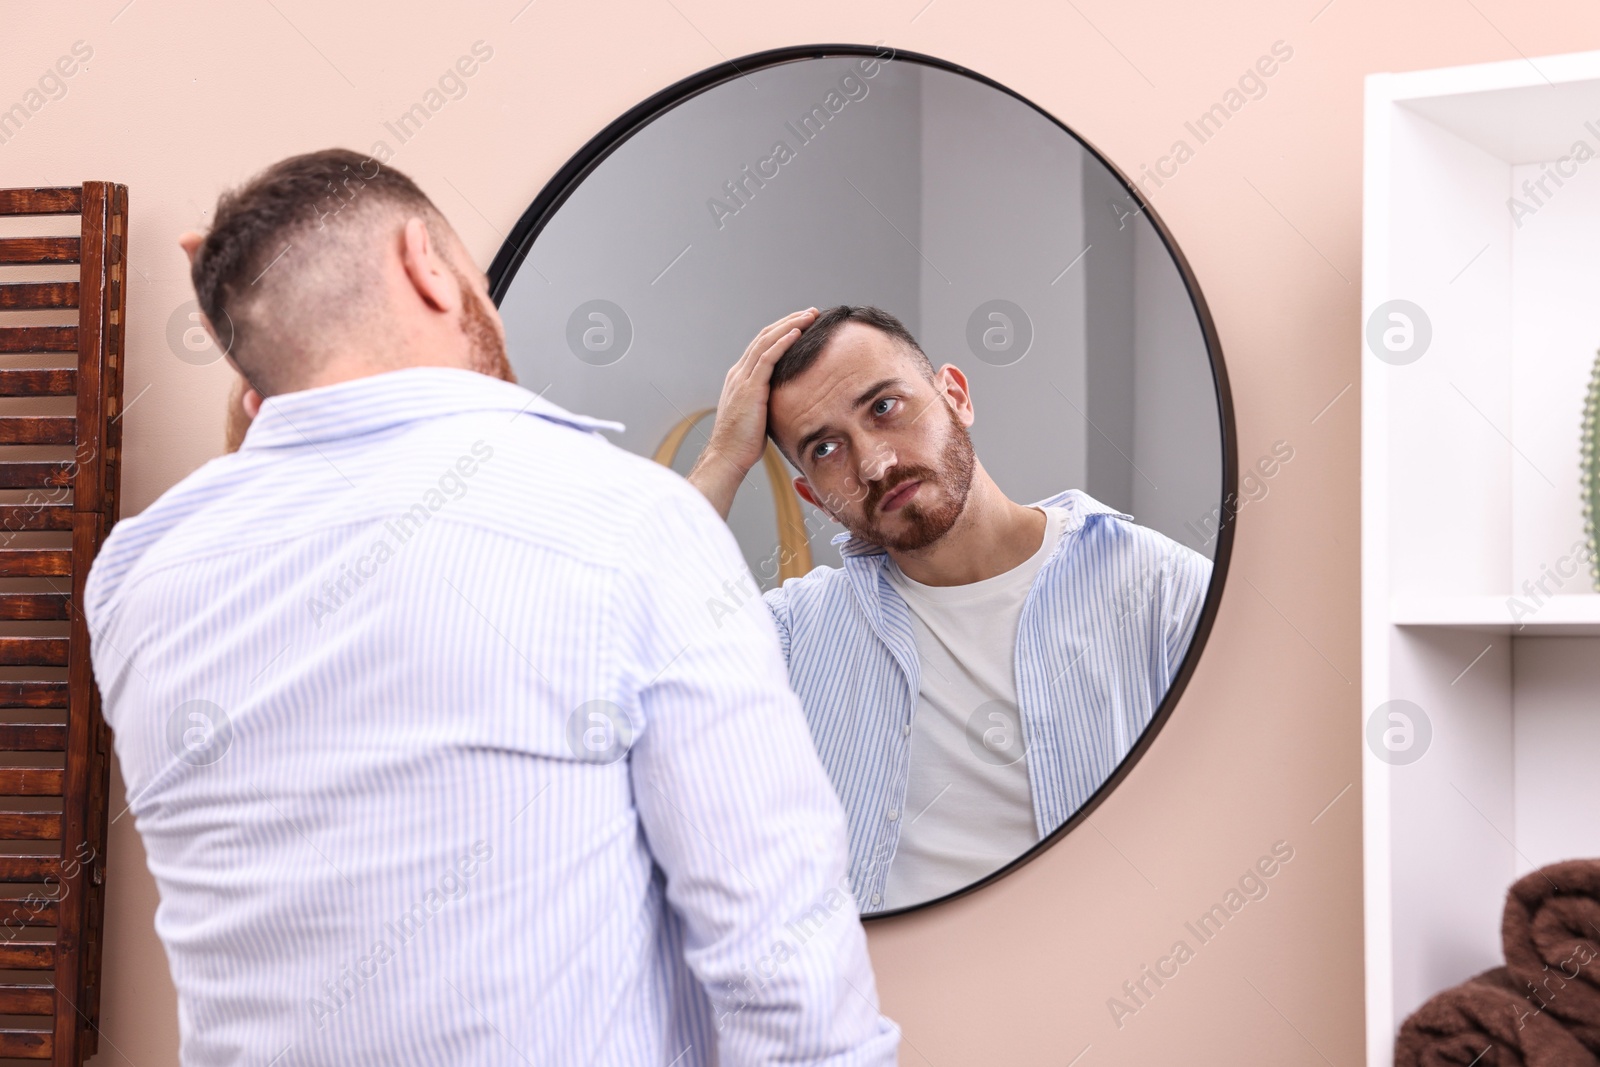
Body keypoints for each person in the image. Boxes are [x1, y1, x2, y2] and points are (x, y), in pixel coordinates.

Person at [84, 150, 899, 1066]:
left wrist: (267, 355)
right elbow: (783, 972)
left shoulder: (138, 576)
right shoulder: (626, 520)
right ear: (425, 263)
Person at [688, 305, 1213, 912]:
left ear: (955, 396)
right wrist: (725, 456)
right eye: (827, 449)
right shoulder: (790, 634)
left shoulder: (1160, 591)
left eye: (884, 407)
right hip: (882, 1000)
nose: (874, 464)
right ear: (813, 496)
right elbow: (620, 671)